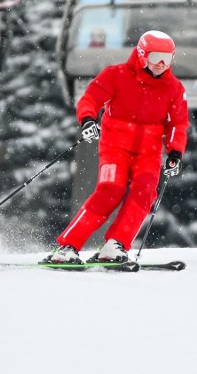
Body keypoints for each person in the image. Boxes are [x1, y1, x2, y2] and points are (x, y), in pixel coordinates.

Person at [44, 30, 189, 264]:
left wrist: (175, 152)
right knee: (110, 190)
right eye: (155, 57)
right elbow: (90, 99)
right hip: (115, 146)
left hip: (149, 152)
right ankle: (67, 247)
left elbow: (177, 124)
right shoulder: (116, 75)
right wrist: (88, 120)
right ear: (142, 55)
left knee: (145, 192)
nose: (161, 64)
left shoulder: (174, 88)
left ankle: (115, 245)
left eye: (167, 58)